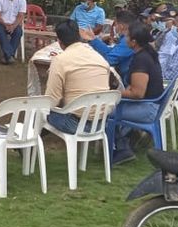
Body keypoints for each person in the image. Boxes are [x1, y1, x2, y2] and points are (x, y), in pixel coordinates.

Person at [108, 22, 165, 166]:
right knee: (111, 105)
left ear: (134, 42)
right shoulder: (147, 53)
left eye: (127, 36)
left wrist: (114, 93)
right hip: (153, 105)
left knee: (104, 111)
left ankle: (121, 149)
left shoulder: (141, 59)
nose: (125, 39)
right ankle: (130, 137)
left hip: (147, 109)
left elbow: (138, 93)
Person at [44, 21, 111, 133]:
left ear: (59, 42)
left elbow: (51, 101)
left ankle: (33, 137)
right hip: (101, 123)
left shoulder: (60, 60)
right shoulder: (99, 57)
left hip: (75, 124)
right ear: (79, 36)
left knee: (39, 110)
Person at [82, 10, 137, 81]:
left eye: (115, 24)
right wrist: (93, 39)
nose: (114, 27)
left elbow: (109, 60)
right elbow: (111, 52)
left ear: (121, 26)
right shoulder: (127, 38)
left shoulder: (128, 41)